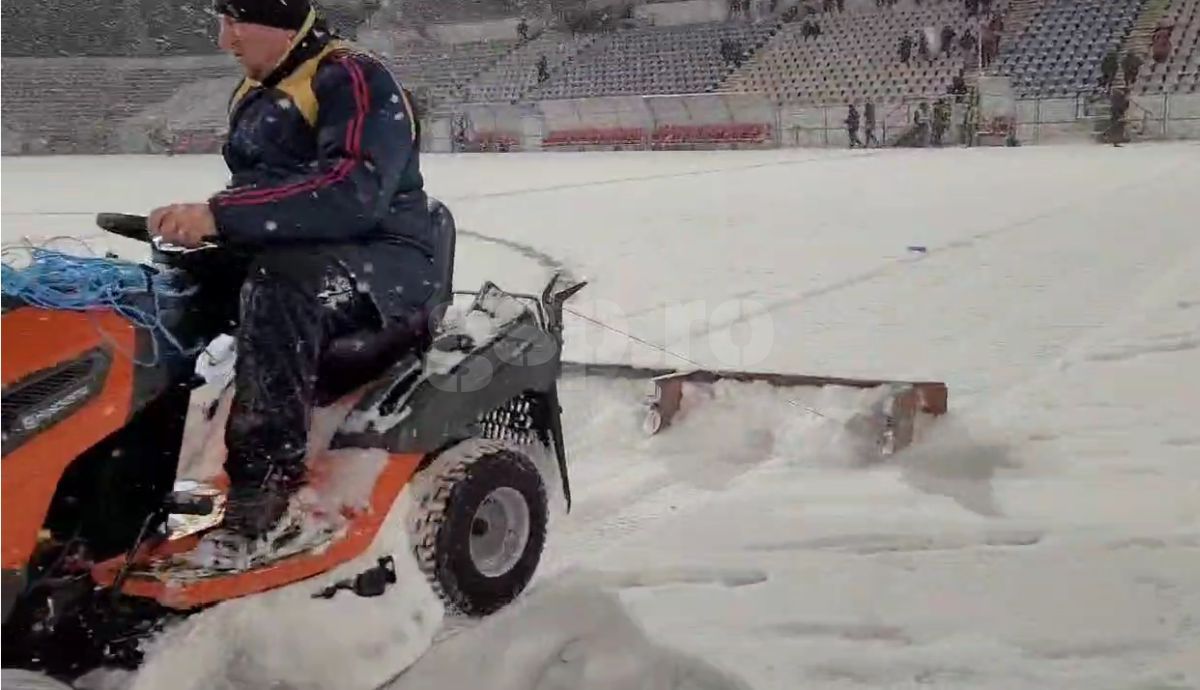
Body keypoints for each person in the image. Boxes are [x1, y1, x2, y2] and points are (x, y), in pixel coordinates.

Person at [147, 0, 437, 558]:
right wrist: (208, 230)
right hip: (302, 252)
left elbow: (351, 193)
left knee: (279, 286)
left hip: (385, 258)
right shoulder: (256, 91)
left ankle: (266, 486)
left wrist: (221, 215)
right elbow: (263, 191)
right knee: (166, 290)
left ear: (281, 24)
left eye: (236, 22)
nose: (225, 40)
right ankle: (137, 476)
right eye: (221, 23)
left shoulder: (351, 78)